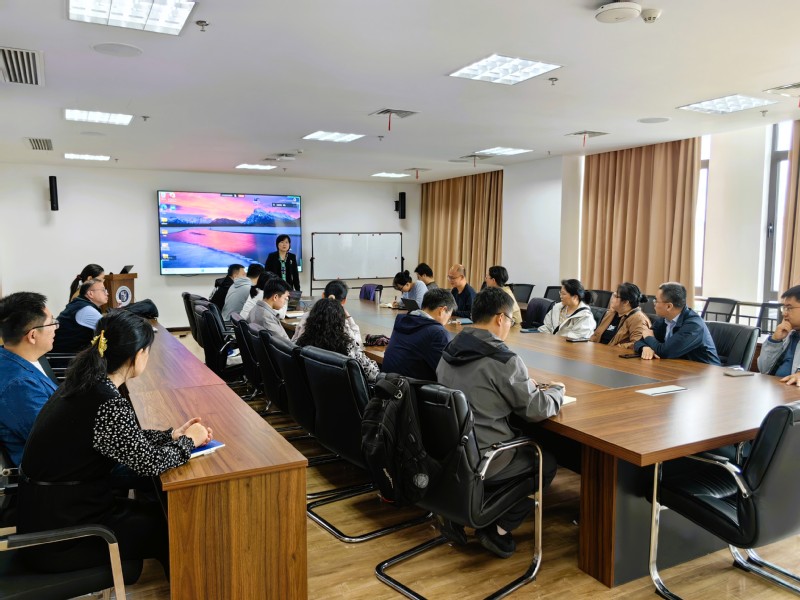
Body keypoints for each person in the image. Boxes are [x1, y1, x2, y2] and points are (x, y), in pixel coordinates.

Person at [18, 310, 212, 577]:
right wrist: (190, 441)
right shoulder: (105, 400)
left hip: (52, 515)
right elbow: (149, 463)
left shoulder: (86, 383)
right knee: (175, 525)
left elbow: (123, 439)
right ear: (138, 355)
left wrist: (171, 436)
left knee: (158, 509)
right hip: (64, 537)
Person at [436, 287, 564, 558]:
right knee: (547, 462)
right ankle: (497, 529)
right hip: (487, 457)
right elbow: (536, 409)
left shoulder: (450, 348)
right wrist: (556, 391)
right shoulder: (503, 359)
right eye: (510, 320)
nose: (509, 326)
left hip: (451, 452)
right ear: (499, 318)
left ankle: (461, 510)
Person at [0, 292, 59, 466]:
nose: (55, 328)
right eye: (51, 322)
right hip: (54, 473)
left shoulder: (13, 356)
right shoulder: (19, 386)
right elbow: (55, 442)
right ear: (32, 335)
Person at [633, 282, 721, 364]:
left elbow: (665, 352)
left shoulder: (693, 326)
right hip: (679, 367)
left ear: (669, 306)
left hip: (707, 371)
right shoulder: (664, 319)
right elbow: (639, 342)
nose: (654, 304)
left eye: (656, 300)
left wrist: (649, 337)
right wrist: (645, 347)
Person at [296, 297, 380, 383]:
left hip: (313, 389)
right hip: (343, 390)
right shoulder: (347, 345)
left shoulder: (302, 343)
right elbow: (373, 374)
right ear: (340, 322)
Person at [382, 288, 456, 380]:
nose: (448, 320)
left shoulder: (403, 320)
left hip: (387, 384)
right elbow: (447, 374)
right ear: (442, 310)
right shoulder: (438, 332)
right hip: (413, 387)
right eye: (449, 316)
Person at [292, 280, 362, 346]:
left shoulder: (307, 316)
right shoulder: (343, 322)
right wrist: (349, 317)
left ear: (323, 295)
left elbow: (295, 341)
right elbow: (357, 343)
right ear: (344, 301)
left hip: (307, 354)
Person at [758, 284, 800, 385]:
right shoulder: (788, 334)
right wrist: (774, 340)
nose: (784, 313)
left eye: (789, 308)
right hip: (776, 388)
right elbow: (763, 370)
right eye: (784, 308)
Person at [52, 279, 109, 353]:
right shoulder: (86, 310)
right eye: (103, 290)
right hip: (66, 357)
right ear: (91, 293)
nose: (107, 293)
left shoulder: (80, 304)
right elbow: (112, 329)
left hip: (67, 354)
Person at [589, 282, 651, 348]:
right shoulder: (610, 313)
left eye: (615, 296)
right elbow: (596, 336)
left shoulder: (638, 319)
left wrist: (615, 348)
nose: (611, 298)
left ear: (625, 302)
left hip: (614, 353)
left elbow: (638, 344)